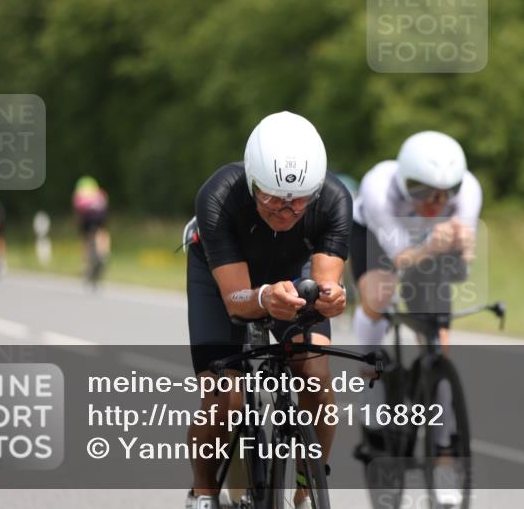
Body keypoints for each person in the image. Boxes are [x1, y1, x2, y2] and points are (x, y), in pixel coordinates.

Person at [183, 111, 351, 509]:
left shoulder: (334, 199)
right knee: (225, 398)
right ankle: (203, 490)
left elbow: (326, 281)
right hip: (222, 275)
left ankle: (306, 488)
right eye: (273, 197)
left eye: (298, 201)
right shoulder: (219, 195)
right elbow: (235, 299)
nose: (286, 210)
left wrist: (333, 296)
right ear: (252, 182)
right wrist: (263, 300)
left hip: (292, 275)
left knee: (315, 376)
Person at [349, 130, 482, 456]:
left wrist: (462, 252)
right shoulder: (379, 187)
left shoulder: (470, 191)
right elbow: (399, 258)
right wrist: (433, 246)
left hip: (428, 244)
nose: (435, 203)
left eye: (446, 193)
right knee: (379, 294)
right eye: (421, 191)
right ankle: (369, 371)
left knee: (437, 336)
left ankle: (444, 448)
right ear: (404, 180)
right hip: (376, 237)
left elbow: (459, 270)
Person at [72, 176, 110, 274]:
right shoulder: (98, 192)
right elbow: (105, 202)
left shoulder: (79, 192)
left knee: (85, 239)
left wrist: (78, 223)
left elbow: (77, 210)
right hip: (99, 212)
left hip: (86, 215)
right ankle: (103, 254)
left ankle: (85, 266)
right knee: (102, 232)